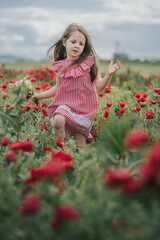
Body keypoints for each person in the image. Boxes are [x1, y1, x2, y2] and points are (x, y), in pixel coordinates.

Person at [32, 23, 121, 150]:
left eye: (81, 44)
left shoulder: (89, 63)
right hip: (64, 105)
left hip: (84, 109)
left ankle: (79, 166)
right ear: (64, 42)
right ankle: (61, 150)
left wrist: (108, 75)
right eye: (73, 42)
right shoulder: (60, 66)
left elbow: (100, 85)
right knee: (58, 120)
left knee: (80, 145)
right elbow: (57, 88)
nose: (77, 46)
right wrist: (39, 96)